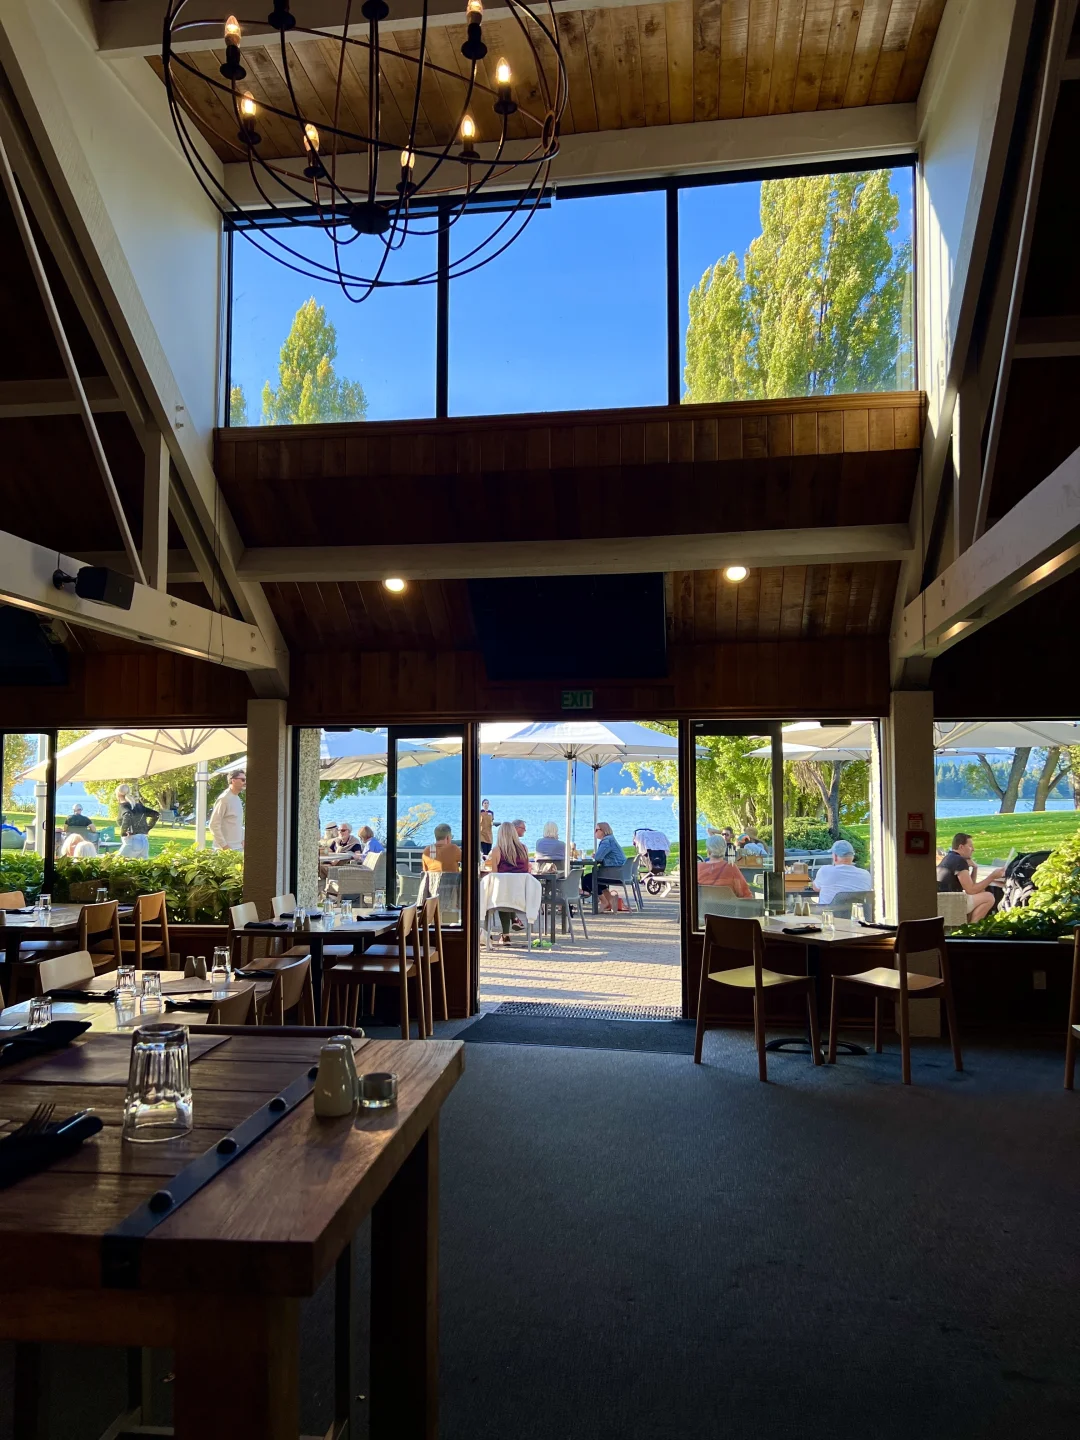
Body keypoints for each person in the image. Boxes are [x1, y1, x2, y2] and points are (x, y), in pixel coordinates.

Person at [937, 832, 1005, 923]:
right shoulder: (959, 861)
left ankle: (968, 924)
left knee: (981, 892)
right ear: (961, 847)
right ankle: (973, 926)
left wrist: (975, 868)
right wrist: (992, 877)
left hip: (943, 902)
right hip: (952, 903)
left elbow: (972, 887)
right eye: (970, 846)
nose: (973, 849)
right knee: (989, 897)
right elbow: (971, 890)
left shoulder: (949, 857)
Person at [487, 820, 531, 943]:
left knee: (500, 892)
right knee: (506, 892)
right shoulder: (524, 848)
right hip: (522, 894)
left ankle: (504, 935)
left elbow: (495, 875)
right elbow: (527, 869)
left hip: (504, 897)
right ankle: (514, 920)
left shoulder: (497, 850)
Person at [582, 822, 627, 913]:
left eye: (596, 830)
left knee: (588, 878)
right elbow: (603, 856)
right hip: (621, 872)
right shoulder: (611, 839)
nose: (595, 832)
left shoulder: (606, 841)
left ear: (603, 831)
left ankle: (604, 901)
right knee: (595, 876)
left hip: (614, 872)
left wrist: (596, 856)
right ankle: (610, 900)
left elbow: (598, 858)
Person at [813, 840, 874, 907]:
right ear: (852, 857)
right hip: (857, 912)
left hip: (829, 913)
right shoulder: (865, 875)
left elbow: (816, 888)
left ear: (835, 857)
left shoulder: (824, 871)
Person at [117, 785, 159, 859]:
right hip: (144, 841)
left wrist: (124, 832)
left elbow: (127, 815)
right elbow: (156, 814)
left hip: (132, 841)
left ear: (118, 794)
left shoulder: (123, 806)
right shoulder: (139, 806)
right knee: (141, 866)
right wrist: (147, 828)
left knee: (116, 862)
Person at [208, 769, 245, 852]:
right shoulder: (224, 799)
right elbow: (213, 825)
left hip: (238, 848)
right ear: (233, 780)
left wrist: (242, 839)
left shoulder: (237, 798)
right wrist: (224, 846)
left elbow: (237, 822)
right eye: (243, 780)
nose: (245, 782)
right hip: (224, 850)